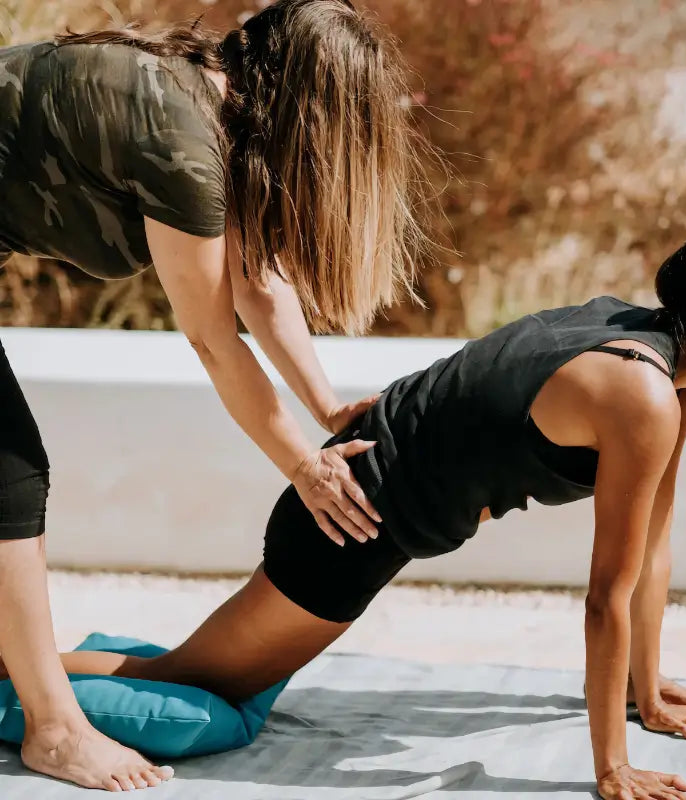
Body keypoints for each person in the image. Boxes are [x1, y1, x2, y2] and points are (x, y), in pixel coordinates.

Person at [32, 197, 686, 799]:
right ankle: (26, 678)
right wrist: (612, 767)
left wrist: (649, 692)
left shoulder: (664, 371)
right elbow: (606, 596)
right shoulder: (644, 395)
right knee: (194, 684)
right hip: (350, 520)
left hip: (372, 505)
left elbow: (652, 555)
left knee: (207, 678)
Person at [0, 0, 431, 791]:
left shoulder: (208, 108)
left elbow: (259, 287)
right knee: (8, 474)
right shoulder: (182, 141)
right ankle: (54, 729)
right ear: (310, 105)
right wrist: (305, 466)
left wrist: (328, 410)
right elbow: (210, 337)